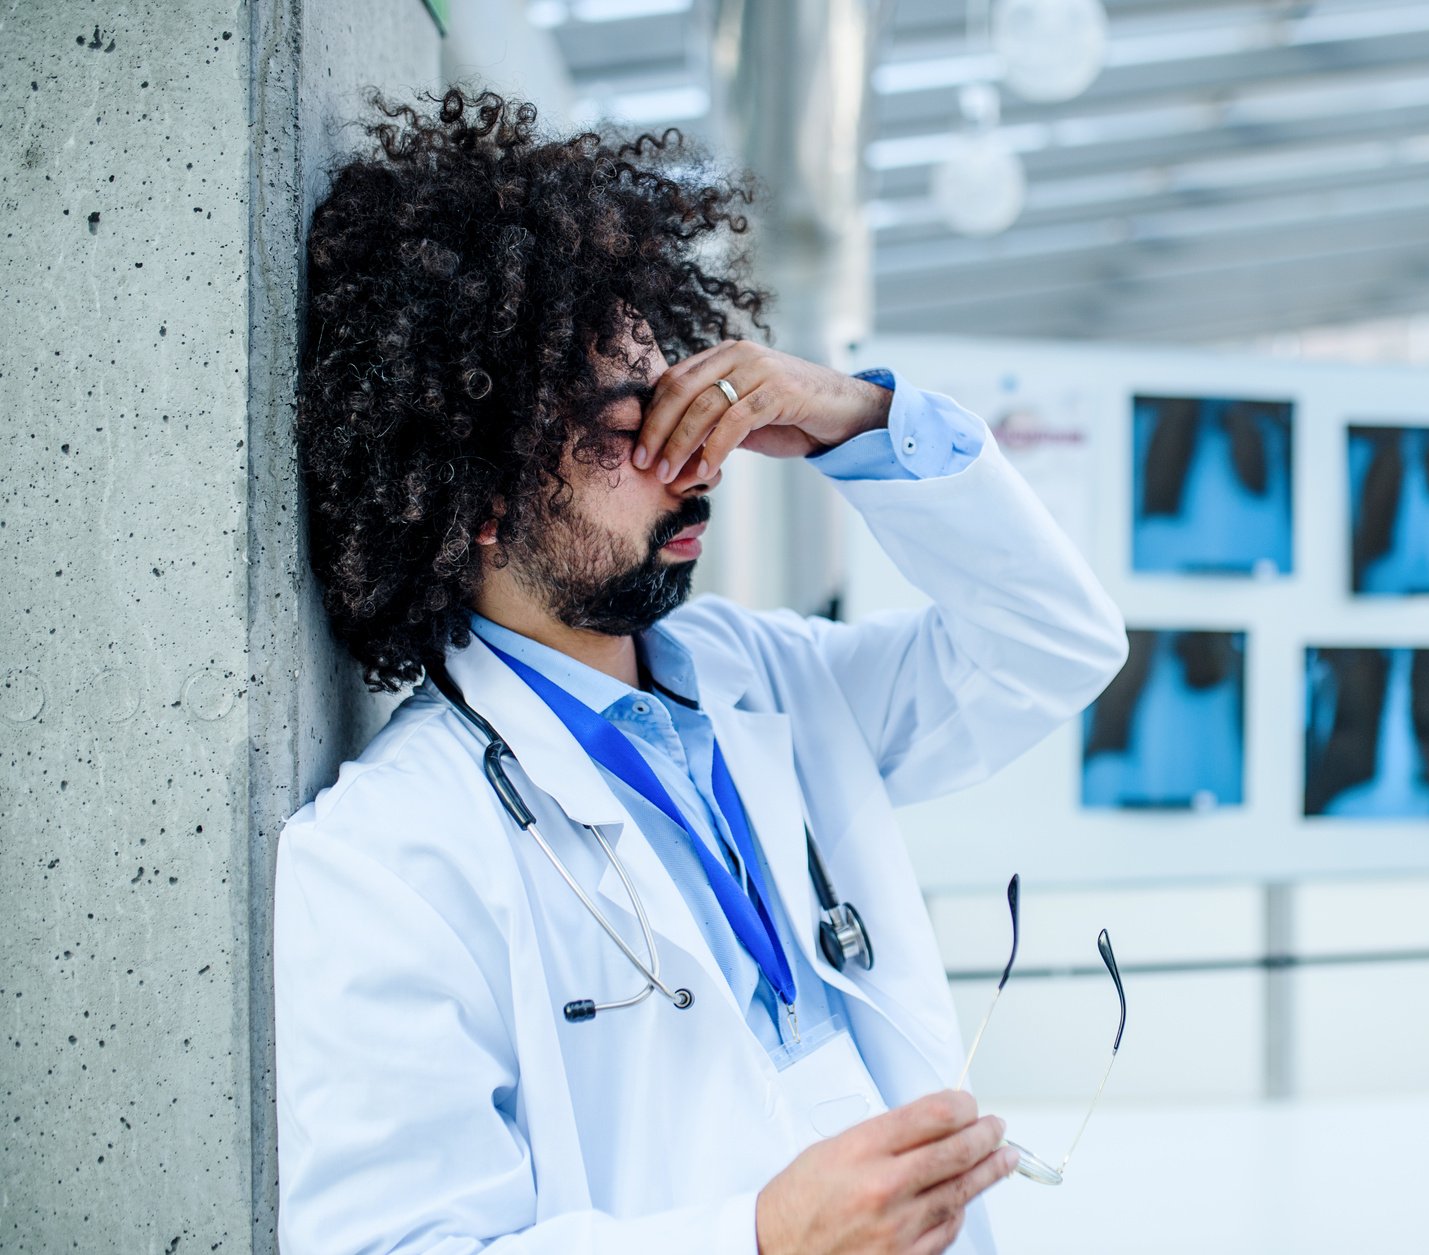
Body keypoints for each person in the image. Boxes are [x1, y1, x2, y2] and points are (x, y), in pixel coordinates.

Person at [272, 90, 1126, 1255]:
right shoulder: (391, 855)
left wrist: (857, 418)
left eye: (685, 402)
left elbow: (1054, 642)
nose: (696, 465)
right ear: (477, 496)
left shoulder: (762, 679)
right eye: (626, 428)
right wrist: (758, 1240)